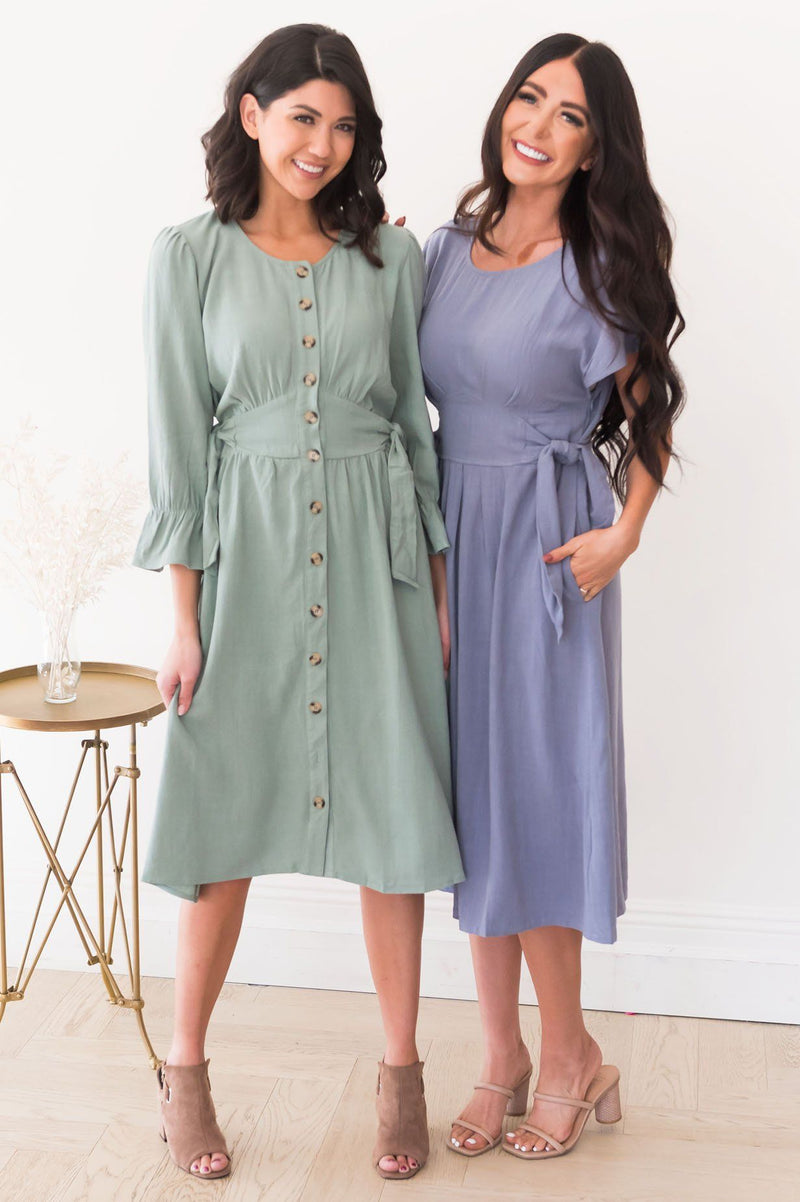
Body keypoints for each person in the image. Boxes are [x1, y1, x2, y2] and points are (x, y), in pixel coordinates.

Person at [131, 23, 464, 1182]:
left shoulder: (391, 258)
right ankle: (183, 1071)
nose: (321, 144)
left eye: (343, 125)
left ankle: (400, 1072)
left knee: (392, 828)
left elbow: (415, 431)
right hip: (249, 563)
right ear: (252, 114)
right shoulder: (187, 257)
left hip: (377, 562)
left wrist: (434, 589)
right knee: (222, 826)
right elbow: (179, 451)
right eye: (302, 117)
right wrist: (182, 619)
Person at [418, 32, 685, 1162]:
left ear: (593, 148)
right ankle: (503, 1053)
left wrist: (623, 532)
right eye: (528, 98)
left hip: (543, 551)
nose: (536, 125)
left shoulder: (597, 264)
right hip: (448, 546)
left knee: (533, 796)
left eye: (569, 115)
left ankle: (569, 1051)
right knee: (470, 808)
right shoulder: (439, 250)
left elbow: (652, 405)